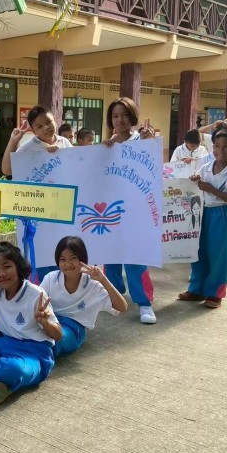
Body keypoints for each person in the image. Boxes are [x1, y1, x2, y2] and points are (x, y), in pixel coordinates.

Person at [0, 242, 61, 405]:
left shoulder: (36, 294)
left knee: (13, 369)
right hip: (5, 343)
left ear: (18, 267)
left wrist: (45, 322)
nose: (1, 274)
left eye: (6, 267)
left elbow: (58, 335)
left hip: (35, 352)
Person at [101, 97, 158, 324]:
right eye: (115, 116)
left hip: (136, 209)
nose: (120, 120)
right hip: (110, 209)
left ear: (132, 116)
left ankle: (144, 303)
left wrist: (150, 144)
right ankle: (114, 297)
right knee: (110, 255)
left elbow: (155, 170)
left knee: (135, 256)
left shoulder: (142, 140)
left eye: (124, 115)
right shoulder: (106, 145)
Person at [179, 127, 227, 309]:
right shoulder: (206, 167)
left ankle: (215, 293)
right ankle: (196, 289)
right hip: (201, 213)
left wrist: (211, 189)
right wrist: (194, 179)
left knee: (218, 254)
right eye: (217, 146)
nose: (220, 150)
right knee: (198, 252)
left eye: (226, 146)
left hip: (221, 214)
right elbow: (197, 183)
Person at [40, 237, 127, 358]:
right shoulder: (51, 278)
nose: (68, 264)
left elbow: (122, 307)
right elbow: (36, 302)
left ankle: (38, 358)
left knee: (55, 339)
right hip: (50, 321)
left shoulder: (93, 284)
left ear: (82, 260)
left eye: (73, 258)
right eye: (63, 259)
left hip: (72, 328)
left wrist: (103, 280)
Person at [0, 105, 71, 177]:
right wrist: (13, 141)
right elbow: (7, 170)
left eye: (48, 122)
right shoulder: (27, 148)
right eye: (39, 127)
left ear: (54, 120)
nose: (46, 127)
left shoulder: (64, 142)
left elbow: (74, 163)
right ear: (33, 131)